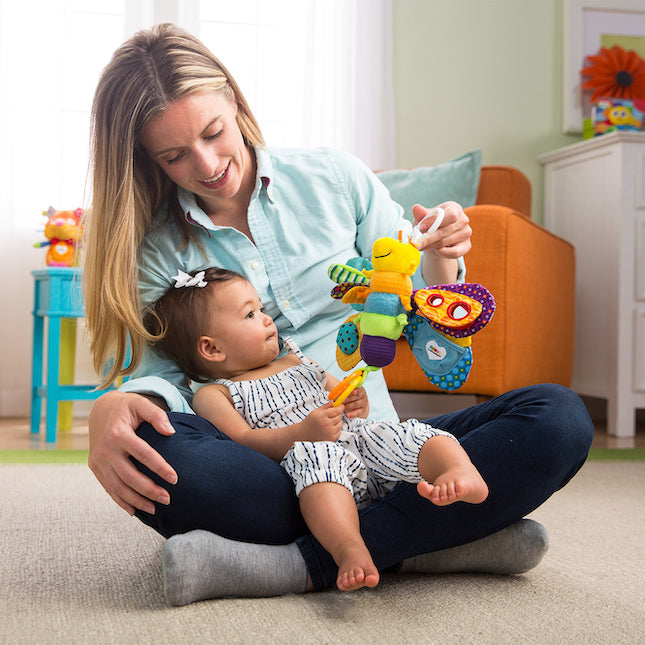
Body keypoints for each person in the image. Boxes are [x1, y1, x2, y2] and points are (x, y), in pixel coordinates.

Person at [83, 23, 594, 606]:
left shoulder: (334, 177)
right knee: (161, 457)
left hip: (386, 445)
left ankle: (302, 564)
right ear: (148, 159)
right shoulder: (155, 248)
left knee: (559, 419)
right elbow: (169, 382)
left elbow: (411, 298)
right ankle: (434, 543)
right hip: (277, 465)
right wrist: (123, 405)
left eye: (213, 132)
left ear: (231, 99)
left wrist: (445, 258)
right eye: (175, 156)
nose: (206, 164)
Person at [143, 267, 490, 592]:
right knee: (317, 465)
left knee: (403, 433)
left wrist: (356, 401)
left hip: (360, 440)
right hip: (311, 458)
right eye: (250, 314)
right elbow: (243, 442)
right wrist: (301, 433)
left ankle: (457, 470)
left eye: (261, 309)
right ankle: (348, 547)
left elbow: (342, 394)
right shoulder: (214, 394)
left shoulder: (294, 358)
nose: (267, 319)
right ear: (211, 348)